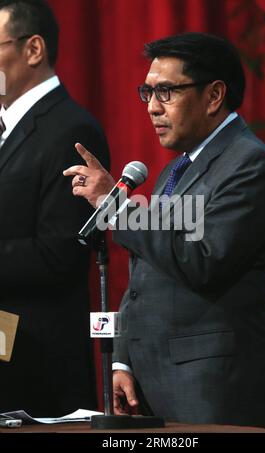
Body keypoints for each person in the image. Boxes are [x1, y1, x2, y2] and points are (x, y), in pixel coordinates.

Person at [64, 32, 265, 428]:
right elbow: (149, 269)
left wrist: (115, 207)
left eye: (166, 92)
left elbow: (202, 258)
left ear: (214, 95)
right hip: (153, 388)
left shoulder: (250, 165)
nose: (152, 108)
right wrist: (123, 359)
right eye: (147, 93)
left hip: (213, 392)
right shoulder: (177, 168)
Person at [0, 0, 110, 416]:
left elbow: (61, 252)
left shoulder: (69, 128)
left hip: (37, 370)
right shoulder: (7, 129)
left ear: (33, 50)